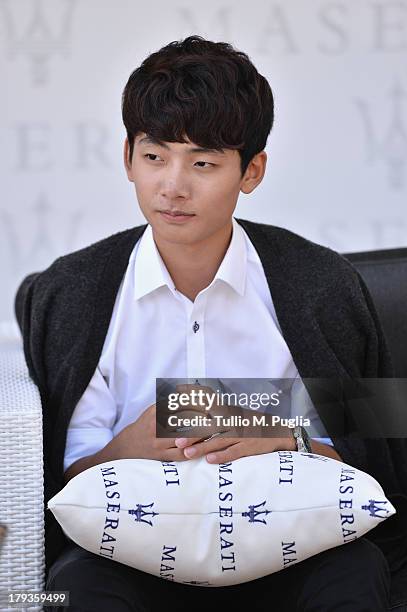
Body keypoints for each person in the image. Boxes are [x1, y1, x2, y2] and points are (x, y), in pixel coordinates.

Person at [14, 35, 407, 611]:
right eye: (154, 157)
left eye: (203, 163)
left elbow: (379, 443)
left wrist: (282, 434)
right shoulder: (72, 294)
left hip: (297, 546)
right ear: (127, 158)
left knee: (355, 575)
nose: (173, 186)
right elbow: (57, 481)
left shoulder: (321, 286)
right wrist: (124, 447)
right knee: (77, 590)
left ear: (251, 172)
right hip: (130, 556)